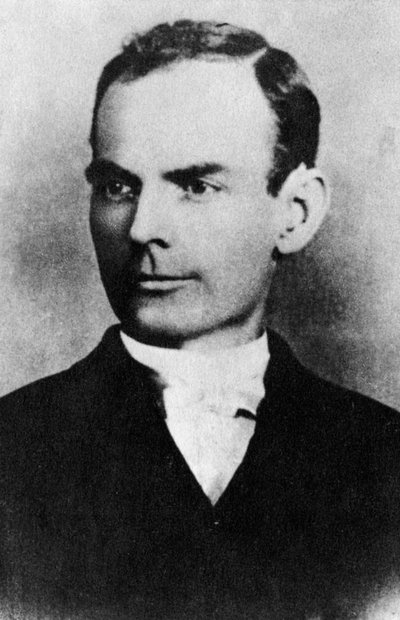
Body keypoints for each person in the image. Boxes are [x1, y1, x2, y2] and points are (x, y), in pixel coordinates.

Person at [0, 19, 399, 620]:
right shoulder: (14, 449)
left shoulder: (383, 458)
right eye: (117, 186)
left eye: (195, 186)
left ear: (295, 212)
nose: (142, 229)